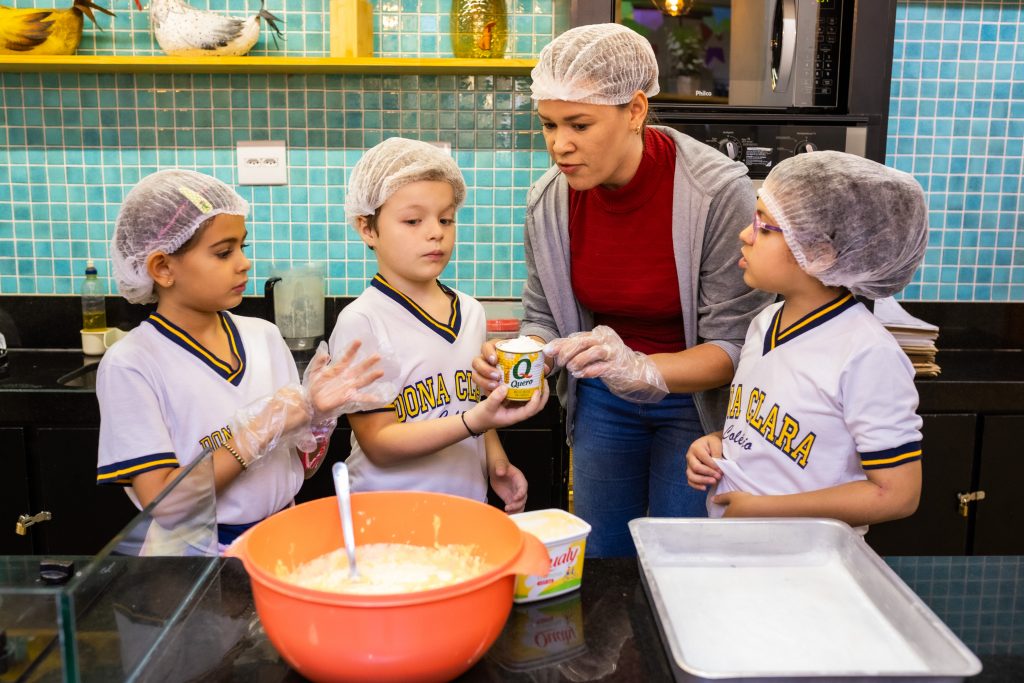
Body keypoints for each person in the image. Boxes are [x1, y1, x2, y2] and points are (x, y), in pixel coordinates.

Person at [471, 24, 774, 556]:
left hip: (692, 405)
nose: (559, 146)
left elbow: (732, 348)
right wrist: (526, 357)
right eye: (548, 125)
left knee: (680, 558)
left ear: (635, 111)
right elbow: (543, 317)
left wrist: (642, 367)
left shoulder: (714, 192)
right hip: (602, 402)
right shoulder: (549, 201)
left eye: (579, 124)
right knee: (604, 555)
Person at [96, 169, 388, 552]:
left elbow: (298, 465)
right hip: (197, 556)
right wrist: (254, 434)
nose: (244, 263)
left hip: (281, 537)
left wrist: (316, 417)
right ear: (163, 268)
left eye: (242, 248)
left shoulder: (262, 336)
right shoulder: (132, 363)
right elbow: (165, 504)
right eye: (223, 252)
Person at [685, 151, 927, 528]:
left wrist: (762, 509)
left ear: (817, 250)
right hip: (739, 550)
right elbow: (772, 431)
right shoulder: (764, 322)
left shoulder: (866, 353)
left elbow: (896, 494)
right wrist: (719, 441)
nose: (744, 235)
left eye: (764, 227)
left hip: (810, 563)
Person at [329, 137, 549, 513]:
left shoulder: (471, 311)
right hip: (388, 514)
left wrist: (493, 461)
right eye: (413, 220)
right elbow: (379, 444)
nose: (436, 232)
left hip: (467, 504)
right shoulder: (362, 321)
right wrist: (474, 421)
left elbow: (477, 406)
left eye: (445, 218)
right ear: (367, 228)